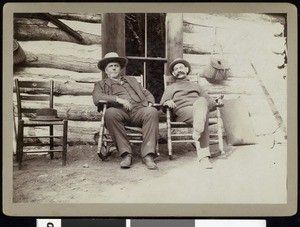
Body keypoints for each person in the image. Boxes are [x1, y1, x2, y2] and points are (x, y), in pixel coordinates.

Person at [93, 52, 159, 170]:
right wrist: (119, 100)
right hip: (120, 113)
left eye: (116, 66)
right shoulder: (101, 84)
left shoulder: (132, 80)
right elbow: (97, 98)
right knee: (110, 113)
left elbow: (146, 93)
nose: (114, 68)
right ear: (105, 71)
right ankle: (126, 154)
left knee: (152, 111)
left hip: (139, 111)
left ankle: (148, 155)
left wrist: (149, 102)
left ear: (120, 68)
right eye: (110, 66)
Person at [160, 58, 221, 169]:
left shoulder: (196, 86)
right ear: (174, 73)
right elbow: (162, 104)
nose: (179, 70)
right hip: (182, 111)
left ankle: (198, 129)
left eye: (181, 67)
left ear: (186, 69)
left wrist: (216, 101)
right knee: (202, 113)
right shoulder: (171, 87)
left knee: (202, 102)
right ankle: (204, 156)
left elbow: (210, 102)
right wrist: (167, 101)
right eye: (176, 69)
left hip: (199, 109)